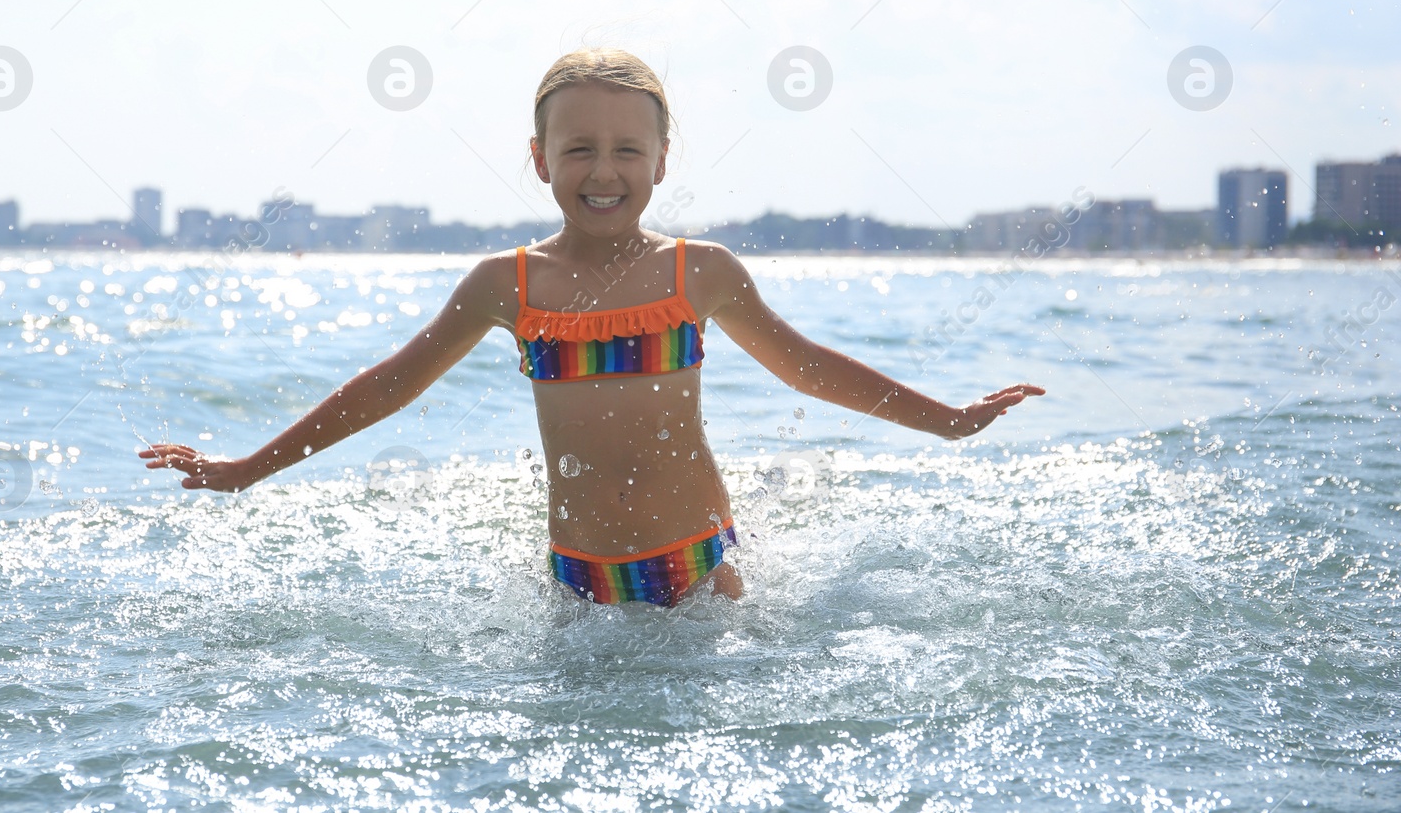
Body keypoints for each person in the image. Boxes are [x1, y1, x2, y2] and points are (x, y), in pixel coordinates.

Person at [141, 48, 1044, 607]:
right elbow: (388, 385)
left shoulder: (698, 272)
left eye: (625, 149)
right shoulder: (508, 285)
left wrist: (949, 419)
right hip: (579, 583)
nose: (602, 169)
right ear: (540, 160)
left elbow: (806, 368)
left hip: (702, 571)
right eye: (578, 148)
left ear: (660, 159)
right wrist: (243, 470)